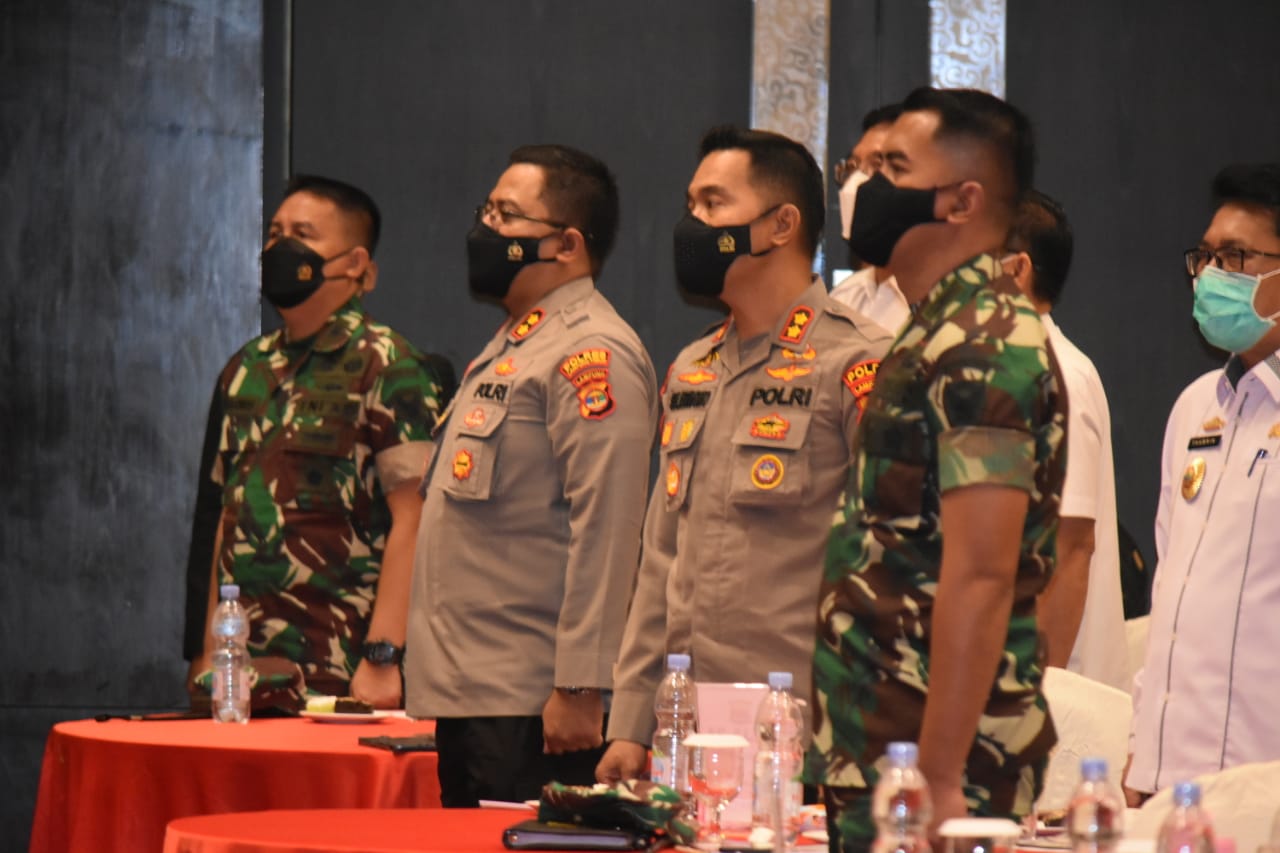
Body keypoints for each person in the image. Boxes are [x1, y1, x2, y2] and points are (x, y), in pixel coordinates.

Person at [807, 87, 1068, 852]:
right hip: (882, 733)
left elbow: (983, 574)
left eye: (894, 167)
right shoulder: (936, 327)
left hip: (941, 754)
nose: (867, 184)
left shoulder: (984, 343)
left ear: (961, 200)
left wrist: (942, 770)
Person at [595, 127, 892, 783]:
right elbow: (660, 558)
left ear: (781, 224)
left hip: (806, 733)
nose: (692, 224)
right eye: (690, 204)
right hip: (687, 729)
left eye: (713, 203)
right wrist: (632, 723)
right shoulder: (693, 367)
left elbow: (890, 564)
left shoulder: (859, 361)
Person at [404, 144, 658, 806]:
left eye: (507, 215)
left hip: (537, 708)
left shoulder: (590, 351)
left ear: (567, 244)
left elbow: (608, 527)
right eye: (486, 210)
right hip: (476, 695)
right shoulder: (516, 344)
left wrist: (580, 684)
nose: (486, 228)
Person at [185, 174, 453, 707]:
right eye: (275, 233)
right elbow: (223, 518)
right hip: (244, 677)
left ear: (355, 264)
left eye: (303, 235)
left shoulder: (390, 365)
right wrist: (209, 652)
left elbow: (418, 520)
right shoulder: (245, 368)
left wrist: (384, 657)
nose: (281, 247)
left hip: (342, 677)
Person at [1125, 163, 1280, 802]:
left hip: (1263, 782)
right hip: (1169, 779)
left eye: (1236, 257)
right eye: (1206, 257)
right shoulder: (1195, 407)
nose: (1212, 275)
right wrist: (1140, 752)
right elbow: (1172, 592)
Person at [1003, 190, 1128, 690]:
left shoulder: (1060, 378)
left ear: (1017, 270)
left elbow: (1070, 548)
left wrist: (1036, 698)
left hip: (1051, 693)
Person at [830, 104, 911, 334]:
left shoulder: (943, 301)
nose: (856, 182)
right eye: (853, 166)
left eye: (876, 165)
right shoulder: (843, 298)